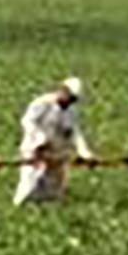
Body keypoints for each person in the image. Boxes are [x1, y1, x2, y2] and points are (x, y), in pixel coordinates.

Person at [13, 76, 96, 206]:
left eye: (73, 100)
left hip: (55, 151)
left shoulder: (71, 111)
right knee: (31, 180)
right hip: (35, 148)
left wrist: (84, 153)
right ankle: (21, 205)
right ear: (63, 90)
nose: (70, 102)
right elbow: (27, 121)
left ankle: (47, 208)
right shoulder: (42, 103)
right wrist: (39, 138)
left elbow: (74, 132)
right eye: (69, 97)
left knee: (55, 184)